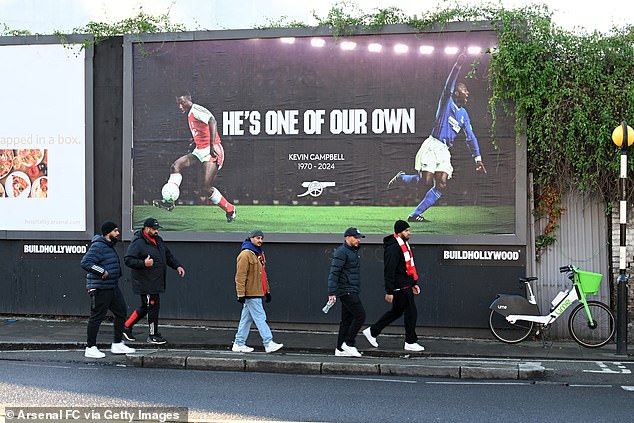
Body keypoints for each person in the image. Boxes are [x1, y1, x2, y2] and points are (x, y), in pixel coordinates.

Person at [387, 53, 486, 223]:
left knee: (441, 184)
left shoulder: (464, 115)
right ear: (456, 93)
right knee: (426, 181)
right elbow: (448, 86)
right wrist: (457, 66)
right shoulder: (447, 103)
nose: (468, 93)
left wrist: (477, 158)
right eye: (465, 90)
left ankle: (415, 214)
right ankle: (402, 177)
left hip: (444, 151)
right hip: (433, 145)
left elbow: (470, 137)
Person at [154, 94, 236, 223]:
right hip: (199, 150)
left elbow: (212, 121)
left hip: (212, 150)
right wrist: (194, 142)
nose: (180, 106)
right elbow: (201, 130)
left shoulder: (196, 109)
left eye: (182, 103)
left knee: (205, 187)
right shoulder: (189, 113)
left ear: (189, 99)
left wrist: (211, 146)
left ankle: (230, 209)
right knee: (176, 166)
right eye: (178, 104)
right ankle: (169, 202)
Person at [363, 220, 425, 352]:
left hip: (405, 284)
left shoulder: (403, 244)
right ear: (399, 232)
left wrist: (413, 283)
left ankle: (373, 331)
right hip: (399, 286)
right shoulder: (393, 248)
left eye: (409, 230)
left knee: (396, 312)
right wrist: (389, 291)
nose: (409, 233)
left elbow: (407, 267)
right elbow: (389, 270)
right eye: (406, 231)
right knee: (411, 312)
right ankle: (410, 341)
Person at [123, 217, 185, 345]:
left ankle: (126, 326)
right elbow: (128, 259)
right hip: (145, 281)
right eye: (154, 229)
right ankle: (152, 335)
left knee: (146, 307)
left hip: (155, 281)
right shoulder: (138, 242)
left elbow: (168, 256)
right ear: (146, 229)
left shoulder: (158, 240)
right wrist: (144, 263)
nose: (156, 231)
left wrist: (177, 266)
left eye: (157, 229)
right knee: (152, 307)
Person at [81, 221, 135, 358]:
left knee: (121, 311)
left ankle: (117, 344)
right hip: (100, 287)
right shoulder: (99, 246)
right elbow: (86, 262)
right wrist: (102, 271)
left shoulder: (109, 246)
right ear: (108, 232)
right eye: (115, 230)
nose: (118, 233)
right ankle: (90, 347)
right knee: (97, 317)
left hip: (111, 286)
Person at [232, 229, 283, 353]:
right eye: (257, 238)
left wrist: (267, 291)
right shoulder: (245, 255)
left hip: (256, 292)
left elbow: (262, 275)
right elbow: (240, 276)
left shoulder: (258, 254)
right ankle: (268, 342)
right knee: (260, 317)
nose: (260, 240)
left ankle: (239, 343)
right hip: (251, 293)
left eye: (261, 238)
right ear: (251, 238)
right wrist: (241, 294)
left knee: (247, 319)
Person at [327, 227, 366, 357]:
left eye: (358, 238)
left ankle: (340, 349)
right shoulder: (342, 252)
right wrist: (332, 292)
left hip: (350, 289)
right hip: (347, 290)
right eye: (355, 238)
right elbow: (334, 273)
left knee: (347, 320)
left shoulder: (352, 251)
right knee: (360, 315)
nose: (358, 240)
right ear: (347, 237)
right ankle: (348, 343)